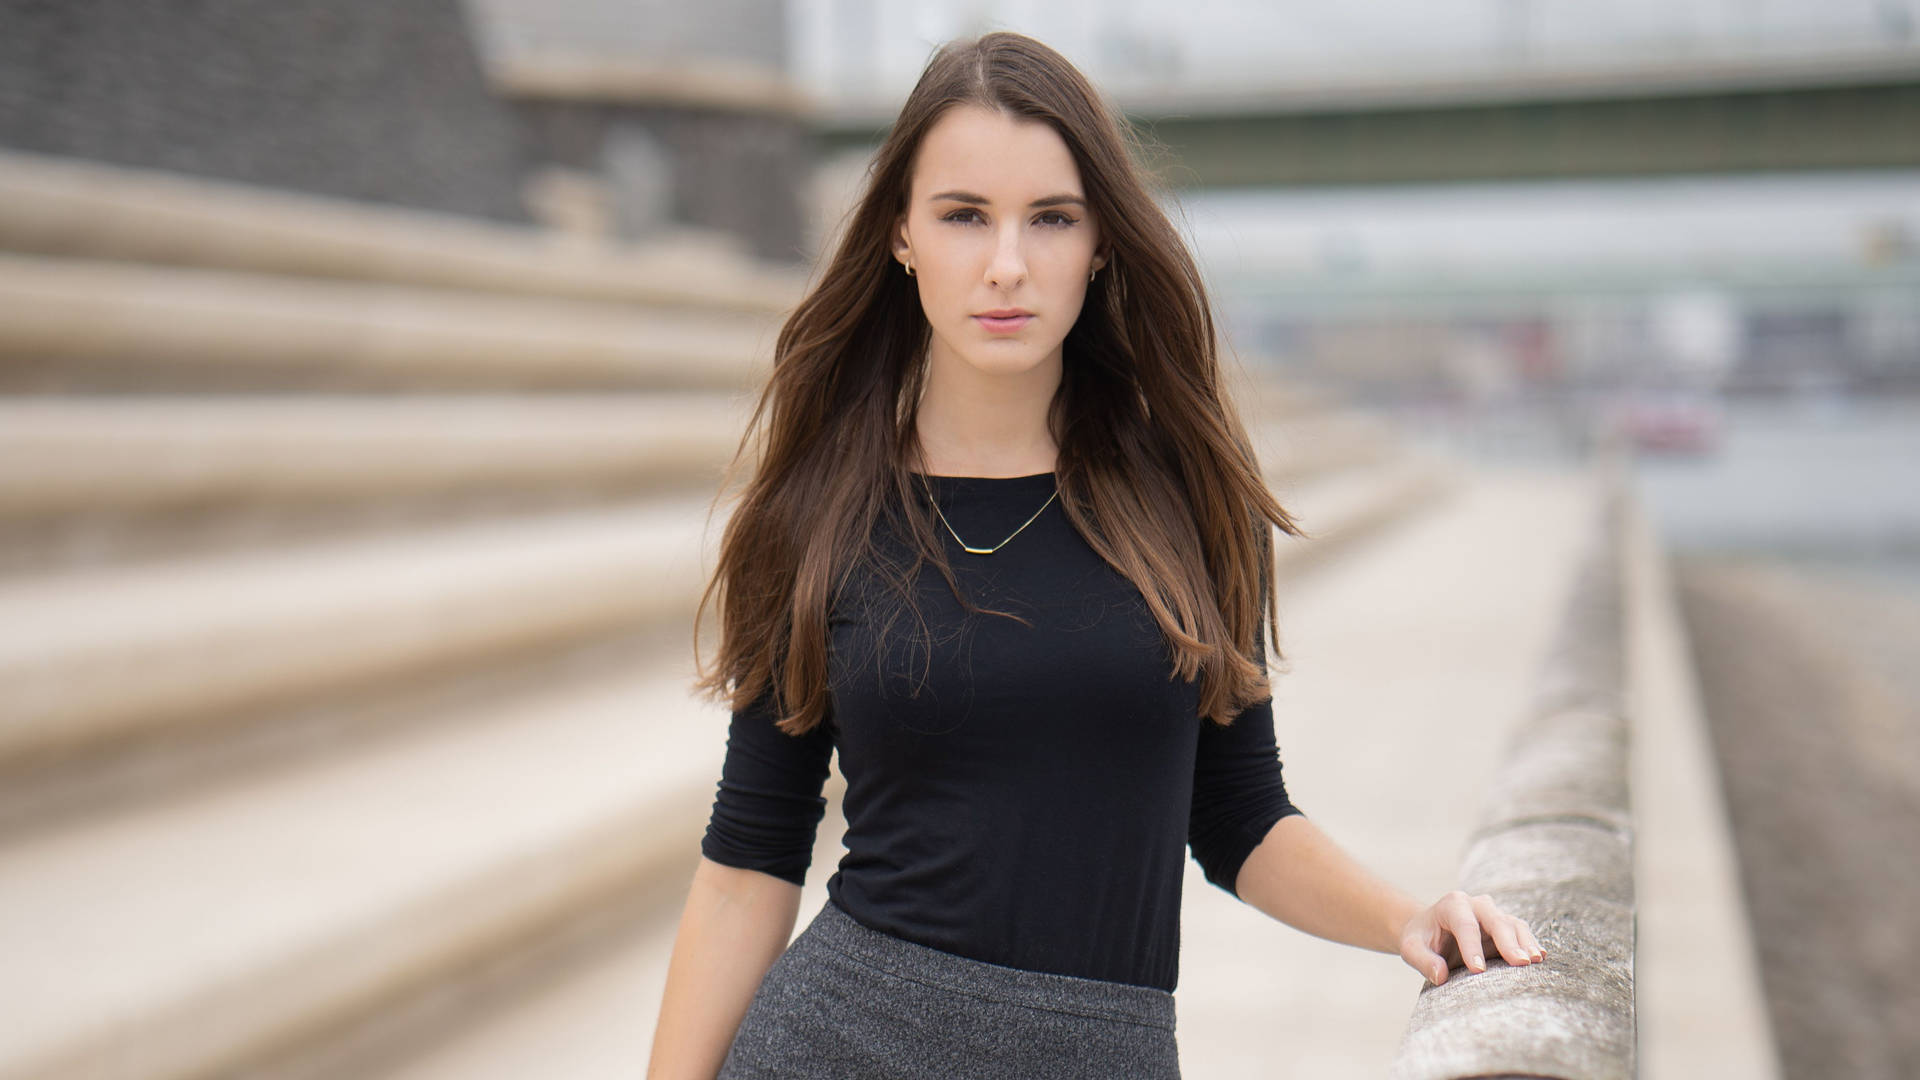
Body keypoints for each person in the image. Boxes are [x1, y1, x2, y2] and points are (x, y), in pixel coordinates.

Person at [646, 30, 1546, 1080]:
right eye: (964, 216)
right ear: (901, 235)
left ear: (1102, 241)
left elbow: (1238, 814)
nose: (1008, 264)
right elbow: (747, 864)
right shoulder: (819, 512)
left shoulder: (1185, 501)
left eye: (1052, 219)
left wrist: (1407, 917)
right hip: (836, 1044)